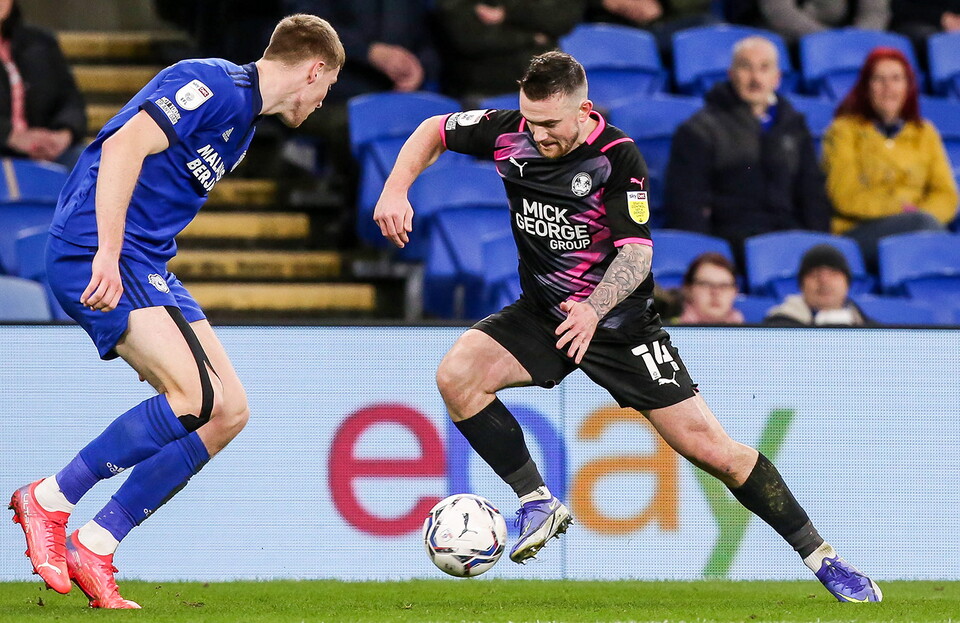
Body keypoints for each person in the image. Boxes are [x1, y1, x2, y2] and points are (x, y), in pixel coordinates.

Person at [373, 50, 881, 602]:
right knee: (457, 376)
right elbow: (433, 129)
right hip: (546, 314)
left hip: (620, 328)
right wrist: (396, 189)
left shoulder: (618, 158)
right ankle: (536, 500)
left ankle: (824, 558)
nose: (537, 135)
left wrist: (593, 308)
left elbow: (637, 255)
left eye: (549, 124)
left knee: (717, 452)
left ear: (583, 109)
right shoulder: (509, 132)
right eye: (530, 120)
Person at [8, 14, 344, 609]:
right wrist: (107, 254)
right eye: (326, 89)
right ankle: (51, 499)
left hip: (149, 262)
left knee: (228, 412)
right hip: (98, 248)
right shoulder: (212, 84)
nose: (322, 103)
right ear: (313, 69)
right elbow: (124, 145)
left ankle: (97, 542)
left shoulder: (242, 123)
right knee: (193, 397)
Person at [664, 36, 830, 266]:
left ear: (777, 78)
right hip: (731, 243)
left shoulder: (794, 126)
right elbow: (687, 204)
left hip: (789, 240)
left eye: (764, 68)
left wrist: (819, 249)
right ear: (731, 74)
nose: (755, 78)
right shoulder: (699, 129)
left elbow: (812, 195)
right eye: (746, 67)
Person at [822, 47, 959, 269]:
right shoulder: (842, 131)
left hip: (919, 226)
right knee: (926, 230)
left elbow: (946, 195)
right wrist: (902, 209)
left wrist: (921, 215)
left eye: (896, 79)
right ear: (866, 88)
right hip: (858, 232)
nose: (888, 88)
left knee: (925, 229)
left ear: (908, 87)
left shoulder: (925, 133)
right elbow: (844, 196)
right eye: (879, 79)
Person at [434, 0, 585, 102]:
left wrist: (508, 12)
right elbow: (469, 38)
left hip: (546, 87)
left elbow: (562, 18)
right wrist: (531, 37)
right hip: (484, 90)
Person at [0, 0, 86, 166]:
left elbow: (71, 100)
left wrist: (63, 135)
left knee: (86, 162)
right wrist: (10, 136)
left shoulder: (41, 42)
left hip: (47, 150)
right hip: (4, 150)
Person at [764, 244, 871, 326]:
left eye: (833, 274)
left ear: (847, 283)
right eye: (814, 275)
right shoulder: (776, 329)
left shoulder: (872, 330)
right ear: (801, 285)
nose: (824, 281)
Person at [727, 0, 890, 44]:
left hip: (847, 35)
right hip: (791, 35)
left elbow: (875, 12)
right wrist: (828, 38)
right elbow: (779, 12)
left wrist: (857, 38)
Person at [676, 252, 744, 324]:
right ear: (688, 289)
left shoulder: (746, 332)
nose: (716, 292)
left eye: (724, 286)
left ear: (735, 291)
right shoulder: (668, 330)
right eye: (706, 284)